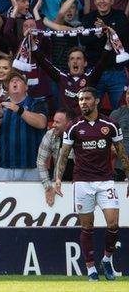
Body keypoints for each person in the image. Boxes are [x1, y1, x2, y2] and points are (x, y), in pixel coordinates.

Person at [55, 86, 129, 281]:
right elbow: (63, 155)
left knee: (113, 224)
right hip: (82, 183)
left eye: (87, 99)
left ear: (96, 101)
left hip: (106, 181)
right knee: (87, 227)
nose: (83, 103)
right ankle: (91, 270)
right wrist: (58, 179)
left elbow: (121, 152)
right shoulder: (73, 126)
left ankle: (106, 259)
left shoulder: (110, 124)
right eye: (80, 100)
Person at [0, 71, 48, 181]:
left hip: (31, 168)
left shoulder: (36, 103)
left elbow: (41, 123)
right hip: (4, 168)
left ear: (26, 87)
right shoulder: (1, 106)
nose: (14, 82)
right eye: (11, 81)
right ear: (8, 88)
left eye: (18, 80)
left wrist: (18, 109)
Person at [37, 108, 75, 207]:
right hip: (57, 183)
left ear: (69, 123)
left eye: (57, 122)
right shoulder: (50, 134)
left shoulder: (82, 136)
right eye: (54, 121)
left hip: (80, 185)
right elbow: (40, 161)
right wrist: (48, 186)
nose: (53, 125)